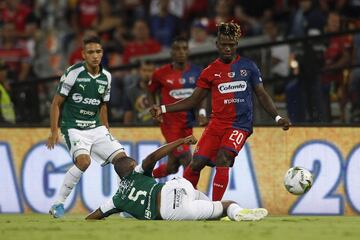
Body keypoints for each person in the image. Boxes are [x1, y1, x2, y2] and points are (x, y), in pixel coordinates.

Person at [150, 22, 290, 201]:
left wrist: (277, 117)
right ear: (217, 44)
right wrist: (162, 108)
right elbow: (193, 100)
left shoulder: (249, 67)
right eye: (223, 44)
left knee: (223, 157)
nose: (227, 49)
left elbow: (261, 95)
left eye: (231, 45)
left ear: (236, 45)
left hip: (240, 125)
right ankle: (184, 204)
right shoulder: (210, 71)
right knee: (195, 164)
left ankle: (215, 207)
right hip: (216, 124)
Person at [85, 135, 268, 221]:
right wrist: (181, 141)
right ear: (132, 166)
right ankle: (233, 212)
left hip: (170, 213)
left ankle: (228, 212)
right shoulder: (137, 172)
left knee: (217, 206)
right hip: (177, 189)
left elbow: (94, 216)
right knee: (208, 200)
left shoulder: (117, 200)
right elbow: (152, 158)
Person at [46, 35, 127, 218]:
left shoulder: (106, 77)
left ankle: (126, 205)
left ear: (102, 53)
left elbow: (103, 105)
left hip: (96, 127)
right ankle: (58, 204)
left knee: (124, 161)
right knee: (84, 162)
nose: (95, 56)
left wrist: (106, 129)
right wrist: (54, 131)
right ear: (83, 54)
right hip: (73, 127)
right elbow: (56, 103)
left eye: (98, 51)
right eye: (90, 52)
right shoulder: (73, 73)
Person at [148, 36, 208, 178]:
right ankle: (193, 196)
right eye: (177, 49)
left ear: (188, 51)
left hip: (188, 124)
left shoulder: (198, 72)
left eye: (184, 48)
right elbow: (150, 91)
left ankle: (141, 177)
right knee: (187, 160)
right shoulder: (160, 74)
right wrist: (154, 108)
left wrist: (202, 111)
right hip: (170, 125)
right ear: (171, 53)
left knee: (172, 168)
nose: (181, 52)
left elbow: (203, 95)